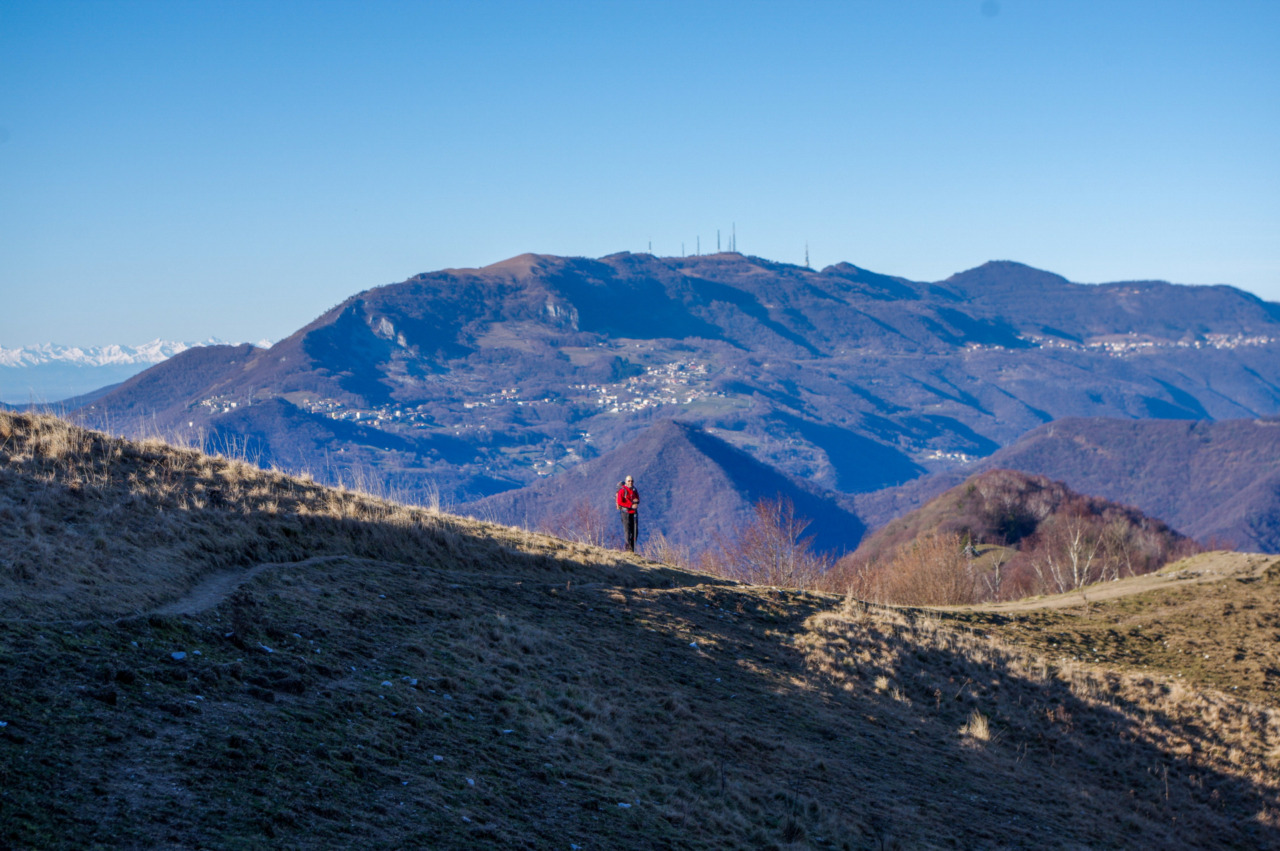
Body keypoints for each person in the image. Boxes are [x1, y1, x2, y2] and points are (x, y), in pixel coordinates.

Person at [616, 475, 639, 552]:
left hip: (633, 512)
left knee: (635, 531)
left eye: (632, 481)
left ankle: (632, 549)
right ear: (626, 481)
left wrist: (635, 502)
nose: (630, 482)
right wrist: (630, 505)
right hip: (625, 513)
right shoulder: (622, 490)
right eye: (629, 481)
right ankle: (628, 550)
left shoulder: (634, 490)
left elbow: (637, 499)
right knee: (627, 531)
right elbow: (620, 502)